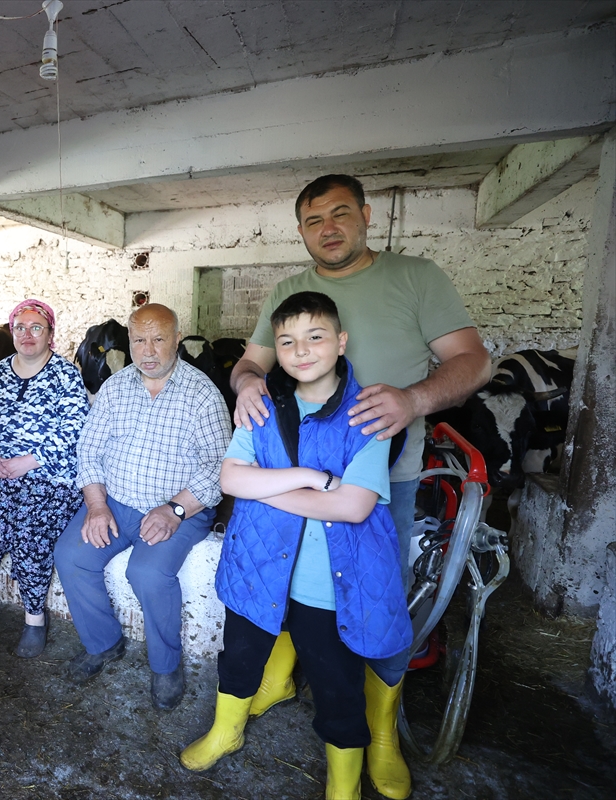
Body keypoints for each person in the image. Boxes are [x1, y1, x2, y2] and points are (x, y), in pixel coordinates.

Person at [227, 175, 490, 800]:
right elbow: (251, 361)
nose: (328, 227)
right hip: (294, 463)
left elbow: (475, 360)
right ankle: (281, 679)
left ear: (366, 215)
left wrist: (414, 398)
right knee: (283, 581)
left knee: (377, 609)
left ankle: (381, 733)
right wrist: (242, 383)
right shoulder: (289, 290)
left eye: (340, 213)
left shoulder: (415, 276)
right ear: (301, 230)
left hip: (382, 477)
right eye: (314, 219)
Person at [182, 292, 411, 799]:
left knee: (336, 684)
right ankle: (227, 730)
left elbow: (353, 506)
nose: (301, 351)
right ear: (273, 349)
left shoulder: (367, 412)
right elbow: (231, 480)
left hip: (330, 580)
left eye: (315, 337)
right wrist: (311, 478)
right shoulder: (258, 404)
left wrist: (271, 487)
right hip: (259, 563)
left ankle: (344, 785)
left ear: (340, 340)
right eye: (286, 341)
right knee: (239, 657)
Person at [54, 303, 232, 710]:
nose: (148, 351)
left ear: (176, 340)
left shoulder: (203, 394)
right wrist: (97, 505)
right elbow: (90, 451)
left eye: (158, 339)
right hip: (116, 501)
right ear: (128, 342)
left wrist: (175, 510)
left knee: (148, 572)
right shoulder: (115, 387)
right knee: (71, 555)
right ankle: (104, 643)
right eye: (139, 340)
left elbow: (219, 467)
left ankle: (166, 665)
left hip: (179, 506)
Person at [0, 299, 88, 658]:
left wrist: (27, 462)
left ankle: (33, 620)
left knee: (31, 535)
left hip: (47, 478)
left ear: (50, 334)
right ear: (11, 332)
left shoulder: (66, 374)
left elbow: (73, 429)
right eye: (20, 328)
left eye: (36, 328)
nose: (27, 335)